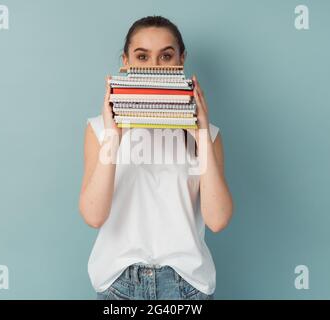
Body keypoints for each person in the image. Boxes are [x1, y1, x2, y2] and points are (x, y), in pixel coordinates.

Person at [79, 15, 234, 300]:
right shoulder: (99, 130)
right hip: (119, 286)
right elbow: (93, 214)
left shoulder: (208, 135)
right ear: (125, 61)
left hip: (187, 287)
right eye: (142, 56)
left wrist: (200, 132)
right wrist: (114, 135)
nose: (154, 67)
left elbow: (218, 219)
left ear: (181, 60)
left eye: (166, 56)